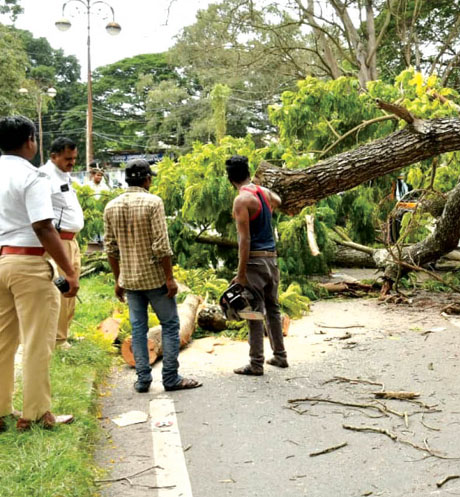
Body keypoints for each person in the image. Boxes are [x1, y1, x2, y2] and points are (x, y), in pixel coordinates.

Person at [0, 116, 78, 431]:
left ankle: (2, 408)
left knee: (4, 341)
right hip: (29, 264)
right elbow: (43, 226)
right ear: (31, 140)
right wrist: (69, 271)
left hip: (2, 260)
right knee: (37, 341)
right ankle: (35, 414)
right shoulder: (32, 176)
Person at [104, 159, 202, 393]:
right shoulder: (153, 202)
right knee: (170, 325)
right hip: (155, 278)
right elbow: (161, 245)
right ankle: (170, 378)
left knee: (138, 329)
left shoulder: (111, 206)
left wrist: (118, 280)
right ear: (147, 179)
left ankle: (142, 380)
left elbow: (110, 247)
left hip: (130, 280)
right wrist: (170, 278)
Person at [226, 155, 287, 376]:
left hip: (255, 261)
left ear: (230, 178)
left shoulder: (241, 200)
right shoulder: (263, 193)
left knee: (253, 311)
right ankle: (280, 356)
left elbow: (245, 240)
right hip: (271, 258)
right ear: (247, 171)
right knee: (273, 308)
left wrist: (241, 274)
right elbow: (278, 201)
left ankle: (256, 363)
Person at [40, 137, 84, 349]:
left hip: (71, 241)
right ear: (53, 156)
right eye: (68, 158)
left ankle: (64, 333)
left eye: (74, 158)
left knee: (71, 290)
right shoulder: (44, 177)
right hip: (59, 241)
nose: (72, 163)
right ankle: (57, 339)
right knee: (63, 287)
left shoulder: (64, 176)